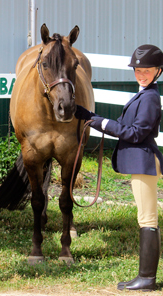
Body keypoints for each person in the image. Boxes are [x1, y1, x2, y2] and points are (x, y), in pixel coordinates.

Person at [75, 44, 163, 291]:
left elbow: (135, 133)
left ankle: (147, 278)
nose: (141, 74)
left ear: (158, 71)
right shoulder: (143, 95)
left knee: (147, 220)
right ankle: (145, 277)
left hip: (144, 160)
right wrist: (89, 116)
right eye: (137, 69)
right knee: (145, 219)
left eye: (146, 70)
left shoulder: (150, 98)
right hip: (140, 161)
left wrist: (100, 122)